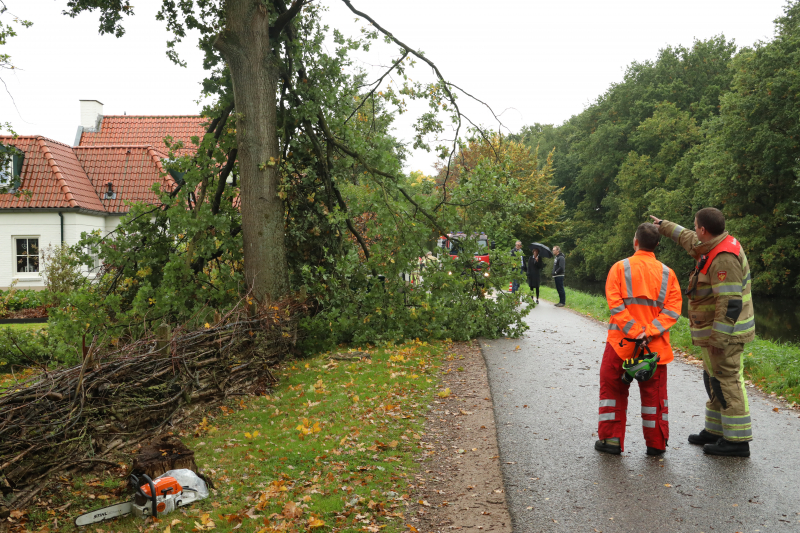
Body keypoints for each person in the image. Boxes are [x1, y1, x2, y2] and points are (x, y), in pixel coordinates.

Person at [650, 208, 755, 457]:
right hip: (713, 333)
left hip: (726, 335)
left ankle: (737, 441)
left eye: (695, 225)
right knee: (713, 378)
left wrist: (719, 338)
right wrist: (663, 225)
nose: (693, 229)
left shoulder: (724, 258)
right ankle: (716, 431)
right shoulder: (711, 244)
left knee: (727, 382)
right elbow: (686, 237)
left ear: (704, 229)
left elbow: (730, 303)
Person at [596, 223, 682, 456]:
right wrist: (649, 331)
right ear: (657, 245)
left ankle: (611, 441)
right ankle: (656, 444)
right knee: (655, 397)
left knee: (613, 391)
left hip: (621, 344)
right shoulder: (668, 274)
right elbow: (673, 310)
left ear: (635, 242)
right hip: (654, 347)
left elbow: (615, 304)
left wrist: (635, 331)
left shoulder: (619, 268)